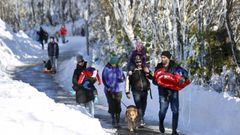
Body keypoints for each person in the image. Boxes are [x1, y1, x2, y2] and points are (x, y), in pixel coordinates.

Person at [153, 51, 185, 135]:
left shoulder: (175, 66)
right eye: (162, 57)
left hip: (174, 92)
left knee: (175, 111)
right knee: (163, 111)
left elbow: (183, 74)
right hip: (163, 93)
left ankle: (174, 131)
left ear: (169, 58)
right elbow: (154, 80)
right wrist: (158, 81)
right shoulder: (159, 67)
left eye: (164, 57)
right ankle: (161, 122)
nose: (163, 59)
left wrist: (183, 79)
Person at [125, 55, 153, 127]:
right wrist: (127, 92)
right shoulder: (131, 70)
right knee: (139, 106)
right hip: (136, 91)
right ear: (134, 62)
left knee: (144, 105)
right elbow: (127, 81)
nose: (138, 63)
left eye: (140, 62)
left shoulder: (144, 69)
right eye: (137, 62)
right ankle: (141, 119)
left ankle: (140, 117)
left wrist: (149, 72)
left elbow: (152, 77)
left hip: (144, 91)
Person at [102, 56, 125, 128]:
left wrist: (121, 79)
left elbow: (123, 78)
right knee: (111, 104)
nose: (114, 65)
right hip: (109, 90)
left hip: (118, 90)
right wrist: (108, 87)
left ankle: (117, 121)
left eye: (115, 64)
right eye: (113, 64)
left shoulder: (119, 68)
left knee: (118, 105)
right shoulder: (106, 69)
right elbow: (103, 79)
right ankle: (113, 119)